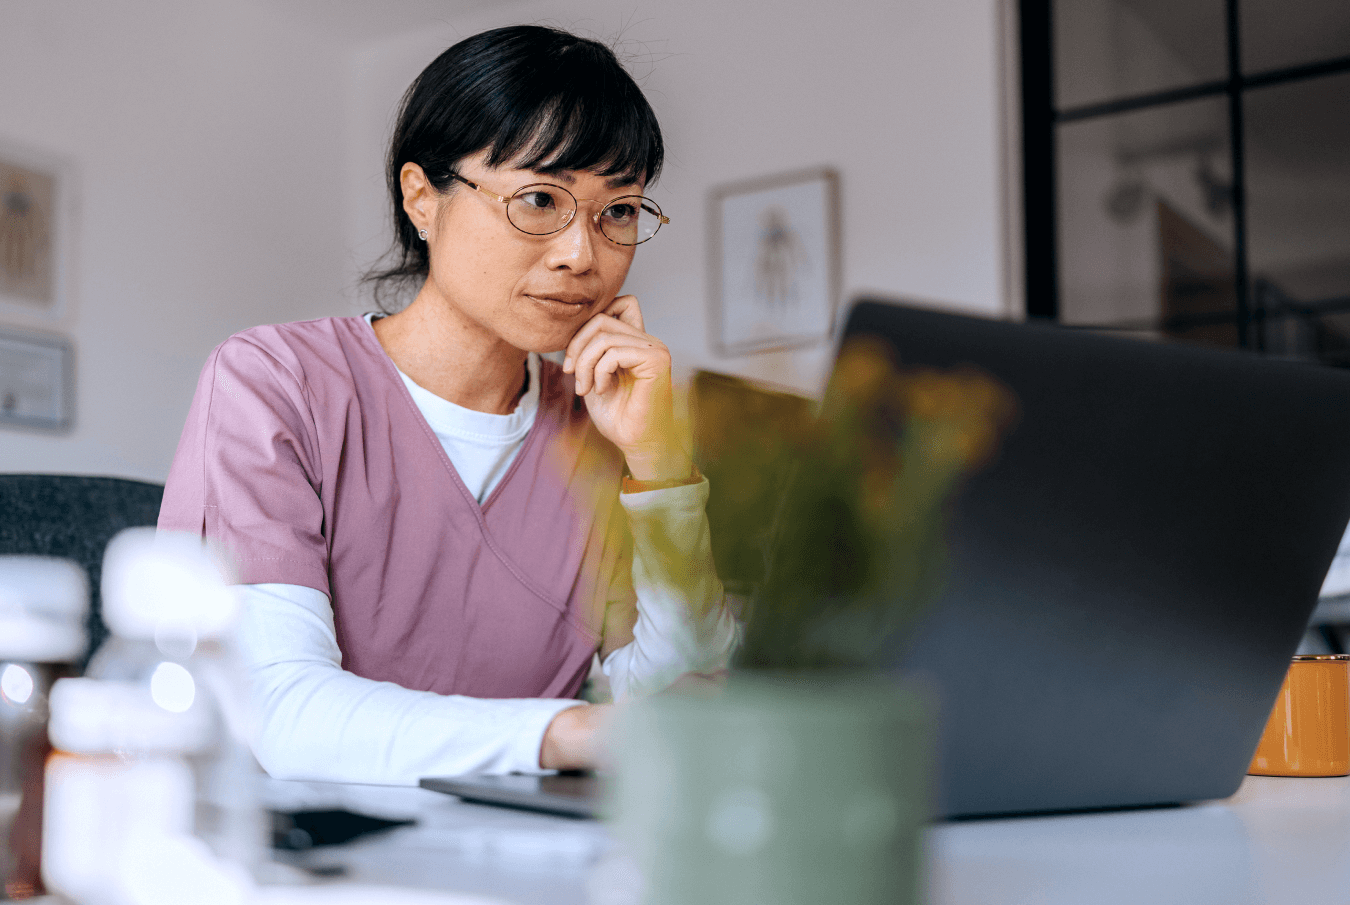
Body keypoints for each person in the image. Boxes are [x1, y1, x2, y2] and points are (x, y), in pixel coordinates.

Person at [158, 25, 739, 785]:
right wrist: (563, 732)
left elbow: (678, 700)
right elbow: (276, 709)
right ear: (421, 197)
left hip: (518, 857)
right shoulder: (275, 383)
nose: (582, 254)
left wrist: (660, 468)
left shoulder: (596, 431)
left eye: (619, 211)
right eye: (540, 198)